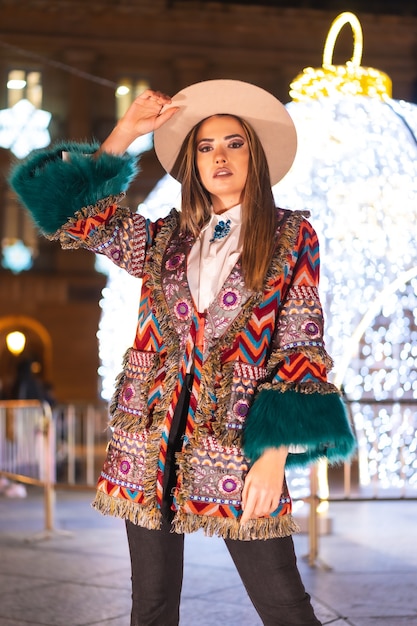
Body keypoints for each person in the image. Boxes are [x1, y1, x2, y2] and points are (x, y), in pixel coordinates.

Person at [10, 79, 356, 626]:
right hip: (145, 444)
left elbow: (301, 342)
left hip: (237, 444)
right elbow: (67, 213)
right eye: (204, 146)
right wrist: (126, 131)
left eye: (234, 143)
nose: (219, 156)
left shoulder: (292, 235)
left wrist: (274, 456)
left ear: (255, 156)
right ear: (192, 162)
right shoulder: (164, 239)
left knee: (285, 606)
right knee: (150, 607)